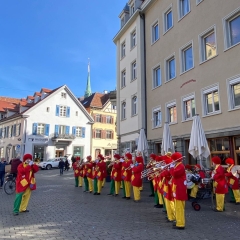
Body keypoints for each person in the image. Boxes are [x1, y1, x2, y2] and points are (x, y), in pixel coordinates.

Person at [170, 152, 187, 230]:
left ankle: (180, 224)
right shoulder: (178, 165)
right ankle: (178, 221)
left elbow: (175, 174)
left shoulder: (180, 166)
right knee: (177, 207)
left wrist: (171, 167)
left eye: (173, 159)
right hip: (177, 188)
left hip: (179, 188)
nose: (172, 161)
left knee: (179, 207)